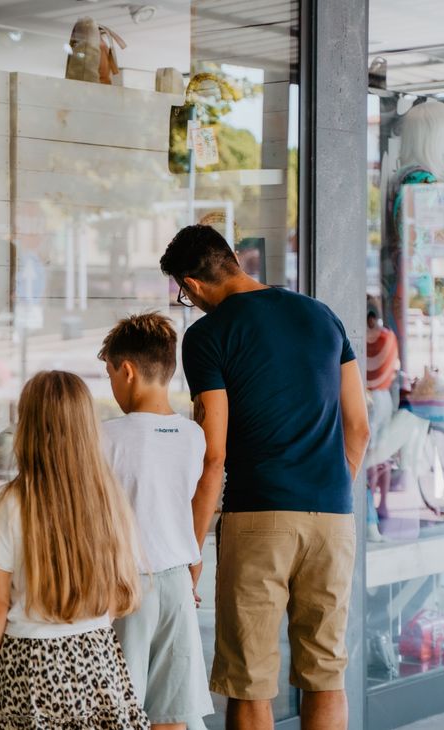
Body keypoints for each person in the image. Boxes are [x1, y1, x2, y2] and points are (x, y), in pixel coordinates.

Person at [159, 225, 370, 730]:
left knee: (249, 679)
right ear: (232, 258)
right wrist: (328, 488)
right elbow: (359, 428)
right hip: (333, 517)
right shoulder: (321, 316)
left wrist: (191, 549)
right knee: (326, 675)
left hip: (259, 518)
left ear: (190, 285)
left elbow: (214, 454)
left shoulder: (208, 336)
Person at [0, 371, 149, 729]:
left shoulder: (5, 504)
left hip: (28, 665)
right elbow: (119, 592)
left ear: (27, 428)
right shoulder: (110, 501)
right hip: (98, 656)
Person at [97, 312, 214, 730]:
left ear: (127, 371)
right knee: (172, 714)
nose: (111, 384)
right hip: (178, 583)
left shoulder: (106, 436)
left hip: (126, 583)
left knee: (120, 711)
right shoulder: (193, 436)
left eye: (110, 373)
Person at [366, 297, 399, 526]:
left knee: (369, 454)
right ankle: (383, 503)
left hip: (370, 399)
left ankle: (368, 503)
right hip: (385, 396)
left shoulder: (366, 339)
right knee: (383, 452)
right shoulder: (389, 337)